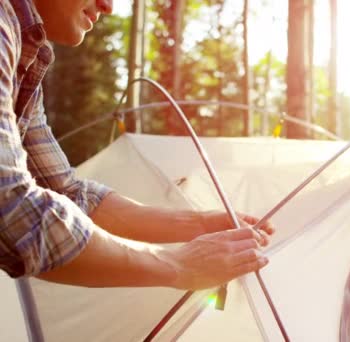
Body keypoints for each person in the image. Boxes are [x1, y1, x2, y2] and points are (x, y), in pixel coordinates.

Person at [0, 0, 273, 290]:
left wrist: (200, 225)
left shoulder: (25, 57)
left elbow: (68, 193)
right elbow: (11, 207)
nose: (108, 6)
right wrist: (178, 266)